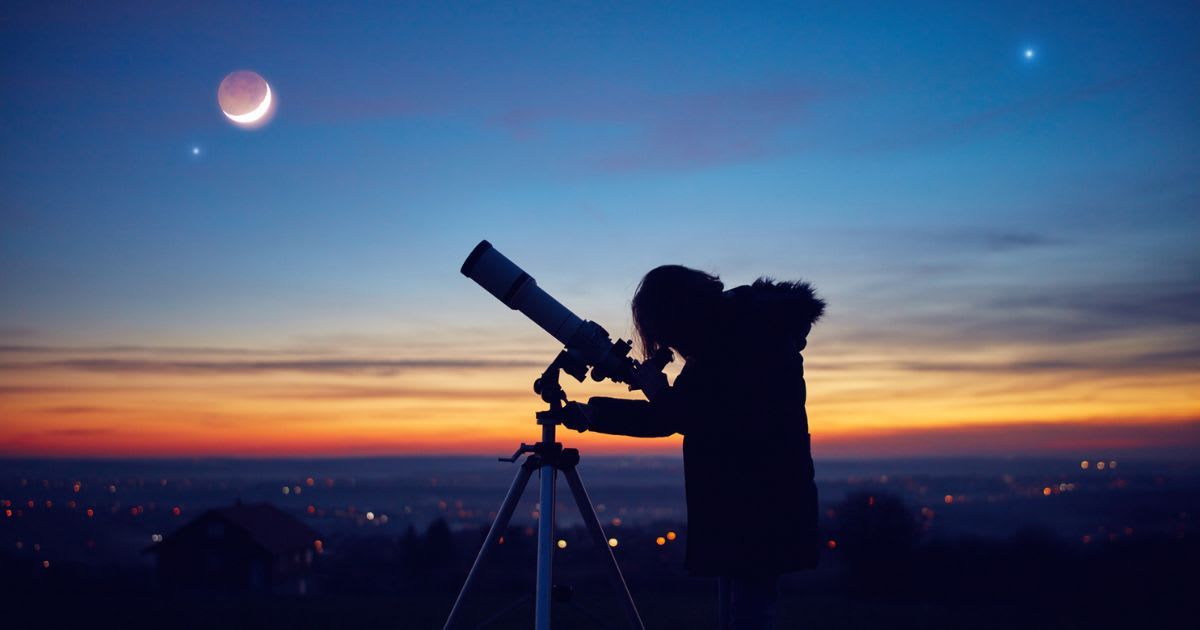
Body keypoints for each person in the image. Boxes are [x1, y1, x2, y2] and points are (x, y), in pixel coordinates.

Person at [561, 265, 825, 630]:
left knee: (749, 613)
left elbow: (685, 416)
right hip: (753, 499)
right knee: (744, 609)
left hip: (757, 500)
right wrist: (594, 413)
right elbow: (685, 414)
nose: (674, 347)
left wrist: (655, 390)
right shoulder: (736, 332)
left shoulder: (739, 342)